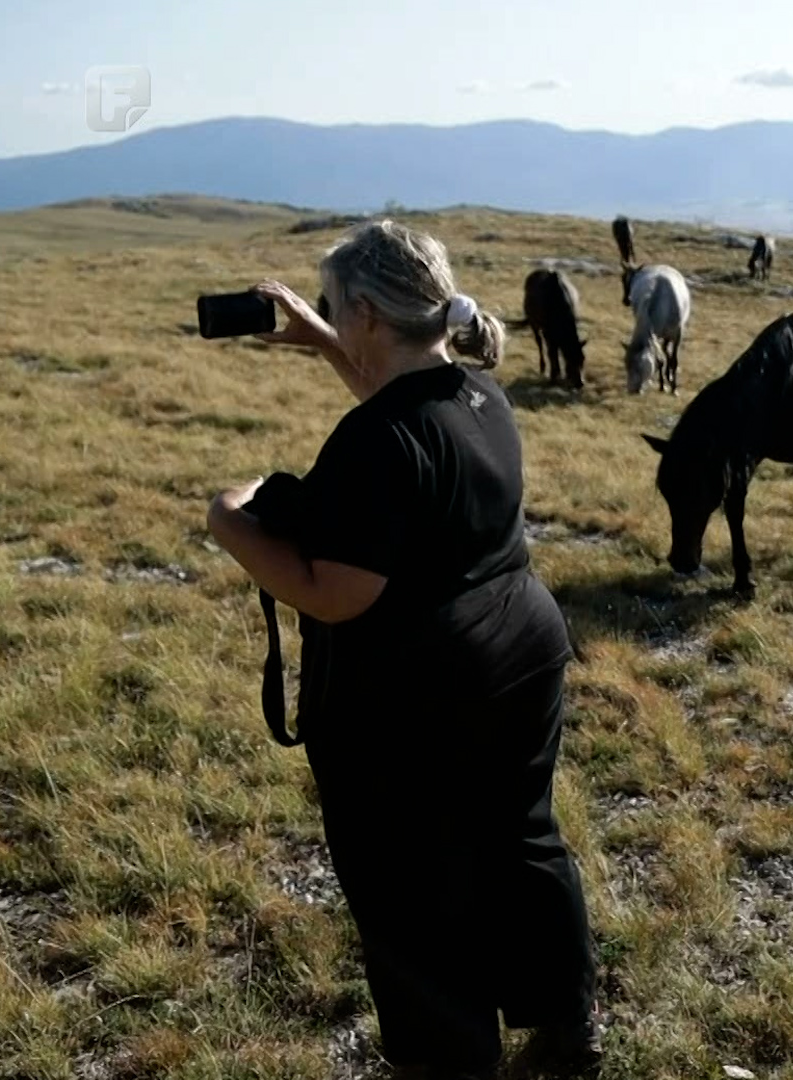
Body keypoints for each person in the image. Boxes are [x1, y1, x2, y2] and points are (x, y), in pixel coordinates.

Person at [205, 220, 600, 1080]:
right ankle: (568, 1025)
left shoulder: (375, 445)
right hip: (524, 650)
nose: (330, 316)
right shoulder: (478, 393)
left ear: (372, 316)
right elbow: (394, 402)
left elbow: (332, 593)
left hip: (423, 691)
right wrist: (317, 339)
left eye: (335, 306)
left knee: (409, 891)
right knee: (520, 836)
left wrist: (230, 523)